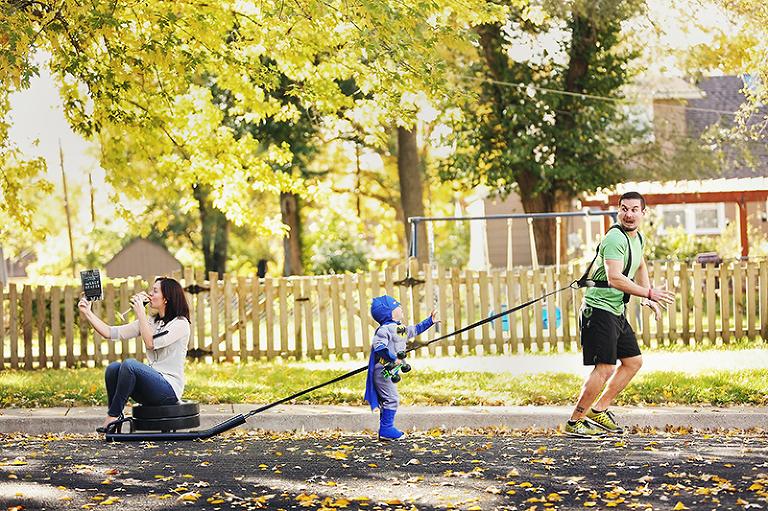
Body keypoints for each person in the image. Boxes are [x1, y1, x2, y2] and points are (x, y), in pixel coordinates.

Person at [564, 191, 676, 437]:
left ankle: (599, 409)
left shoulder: (638, 238)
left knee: (633, 362)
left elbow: (641, 263)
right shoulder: (615, 238)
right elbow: (614, 278)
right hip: (599, 310)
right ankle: (575, 421)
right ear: (619, 211)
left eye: (635, 209)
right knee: (604, 368)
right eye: (624, 209)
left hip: (616, 311)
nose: (629, 214)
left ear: (643, 213)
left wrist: (648, 295)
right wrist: (648, 293)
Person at [78, 276, 191, 433]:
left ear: (167, 298)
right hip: (150, 388)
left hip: (168, 390)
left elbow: (151, 342)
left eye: (155, 291)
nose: (150, 293)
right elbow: (110, 333)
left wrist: (141, 313)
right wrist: (87, 313)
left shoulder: (180, 324)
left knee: (130, 364)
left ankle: (113, 416)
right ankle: (116, 419)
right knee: (114, 368)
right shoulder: (151, 321)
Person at [364, 295, 439, 440]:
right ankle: (386, 429)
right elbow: (379, 347)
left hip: (390, 370)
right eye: (397, 306)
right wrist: (393, 358)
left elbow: (413, 330)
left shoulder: (397, 328)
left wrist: (430, 321)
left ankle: (385, 428)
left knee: (387, 399)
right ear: (390, 312)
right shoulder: (384, 330)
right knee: (391, 398)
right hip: (383, 371)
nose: (401, 307)